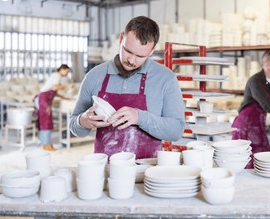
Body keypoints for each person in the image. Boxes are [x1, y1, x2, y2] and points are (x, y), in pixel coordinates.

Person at [69, 16, 185, 160]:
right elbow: (73, 126)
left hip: (148, 172)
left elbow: (176, 131)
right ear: (121, 38)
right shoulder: (94, 76)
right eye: (128, 51)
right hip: (106, 171)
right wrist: (83, 121)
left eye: (140, 56)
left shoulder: (165, 79)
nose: (131, 60)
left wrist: (140, 117)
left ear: (152, 50)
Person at [35, 64, 74, 151]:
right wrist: (68, 86)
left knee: (45, 122)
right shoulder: (57, 75)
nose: (67, 74)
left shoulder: (55, 76)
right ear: (62, 69)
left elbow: (53, 91)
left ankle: (46, 144)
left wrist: (64, 97)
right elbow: (55, 87)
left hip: (44, 99)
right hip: (44, 100)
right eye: (67, 71)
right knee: (46, 122)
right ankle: (46, 145)